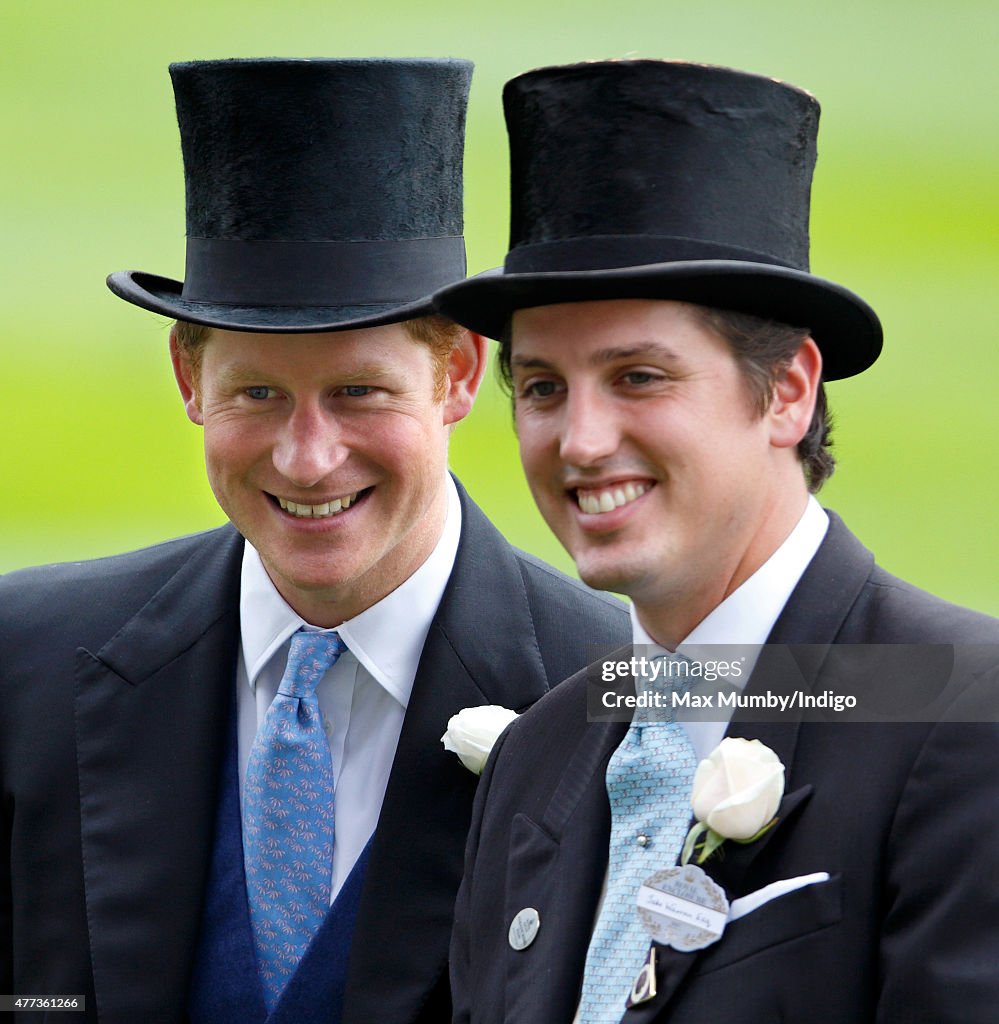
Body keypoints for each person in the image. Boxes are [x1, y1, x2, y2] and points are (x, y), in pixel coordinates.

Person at [0, 58, 628, 1024]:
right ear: (186, 377)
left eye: (358, 393)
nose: (305, 458)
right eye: (257, 393)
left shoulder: (616, 692)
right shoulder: (23, 657)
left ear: (459, 375)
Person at [435, 60, 999, 1024]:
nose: (578, 441)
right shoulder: (541, 752)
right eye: (540, 388)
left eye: (640, 377)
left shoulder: (963, 716)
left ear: (786, 393)